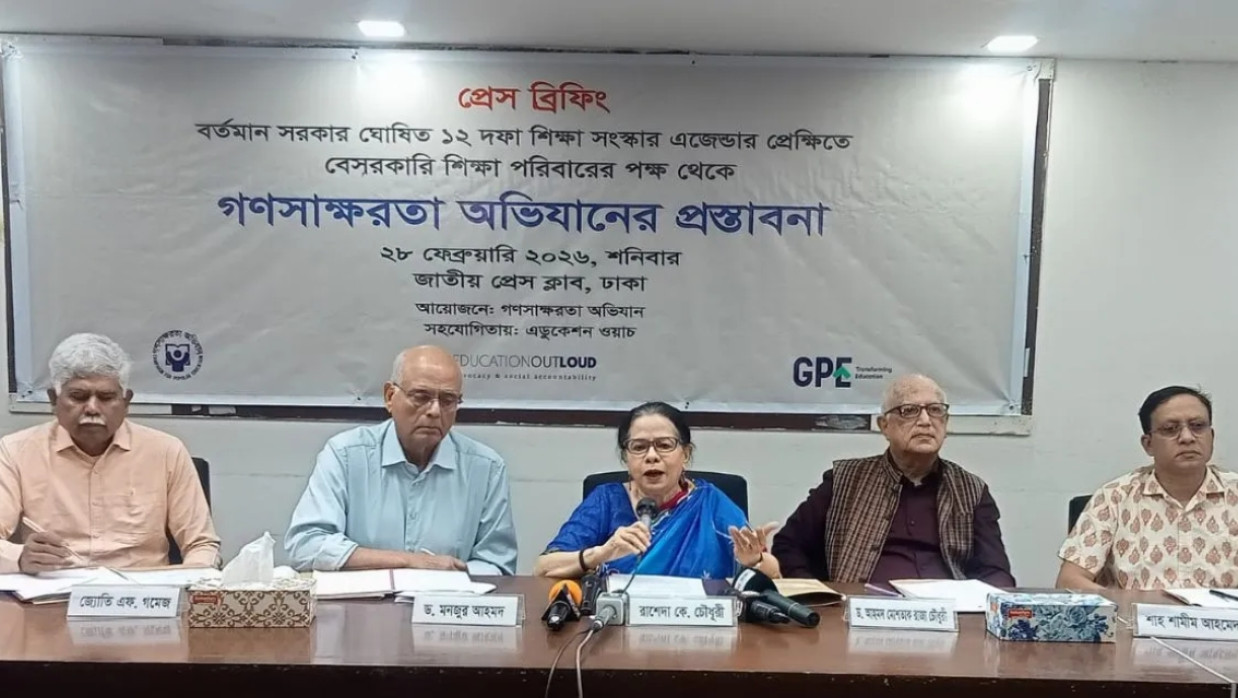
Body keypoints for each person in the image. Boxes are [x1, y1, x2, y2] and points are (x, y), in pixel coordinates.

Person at [284, 345, 517, 574]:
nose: (435, 411)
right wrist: (408, 562)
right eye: (421, 396)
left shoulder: (485, 468)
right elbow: (306, 546)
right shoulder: (346, 455)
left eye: (448, 400)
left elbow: (497, 565)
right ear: (389, 396)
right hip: (360, 607)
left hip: (444, 605)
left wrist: (445, 578)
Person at [0, 333, 220, 574]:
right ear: (54, 399)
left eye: (106, 397)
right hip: (52, 594)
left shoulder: (166, 451)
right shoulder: (15, 452)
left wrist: (194, 584)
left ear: (126, 402)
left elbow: (202, 545)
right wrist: (20, 557)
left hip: (144, 597)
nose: (92, 408)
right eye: (78, 397)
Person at [771, 374, 1015, 586]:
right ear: (884, 426)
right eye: (909, 411)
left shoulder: (971, 490)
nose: (925, 421)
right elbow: (788, 546)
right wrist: (819, 597)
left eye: (935, 410)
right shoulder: (845, 481)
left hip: (948, 615)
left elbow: (996, 571)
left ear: (946, 422)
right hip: (860, 617)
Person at [534, 401, 780, 580]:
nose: (652, 456)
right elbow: (543, 568)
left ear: (686, 454)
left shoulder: (711, 503)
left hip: (700, 630)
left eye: (664, 445)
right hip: (617, 630)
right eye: (638, 447)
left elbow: (775, 573)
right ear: (625, 458)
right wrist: (602, 553)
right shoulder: (606, 500)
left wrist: (755, 560)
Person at [1057, 385, 1238, 589]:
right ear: (1148, 444)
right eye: (1171, 429)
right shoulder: (1115, 497)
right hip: (1134, 618)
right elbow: (1070, 581)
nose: (1187, 438)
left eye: (1197, 426)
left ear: (1211, 436)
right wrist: (1134, 607)